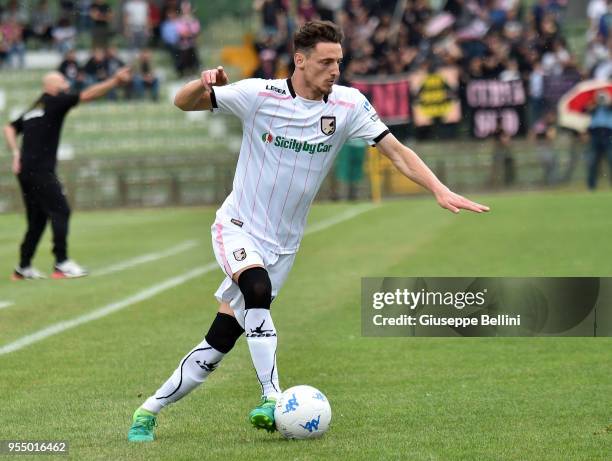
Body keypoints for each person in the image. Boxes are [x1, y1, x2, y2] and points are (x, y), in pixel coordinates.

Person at [126, 20, 489, 442]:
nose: (335, 69)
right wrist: (202, 82)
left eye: (339, 61)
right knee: (256, 290)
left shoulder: (349, 105)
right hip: (238, 227)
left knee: (221, 340)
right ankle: (271, 397)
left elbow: (397, 152)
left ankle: (148, 410)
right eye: (325, 61)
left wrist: (439, 190)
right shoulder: (258, 95)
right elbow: (183, 101)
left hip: (284, 244)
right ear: (300, 60)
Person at [3, 67, 131, 280]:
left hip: (25, 171)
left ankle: (23, 268)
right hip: (40, 170)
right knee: (61, 210)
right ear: (52, 86)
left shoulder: (36, 106)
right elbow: (88, 95)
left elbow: (8, 128)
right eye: (63, 82)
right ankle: (61, 263)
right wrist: (115, 81)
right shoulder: (55, 101)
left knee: (37, 219)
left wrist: (16, 153)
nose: (67, 85)